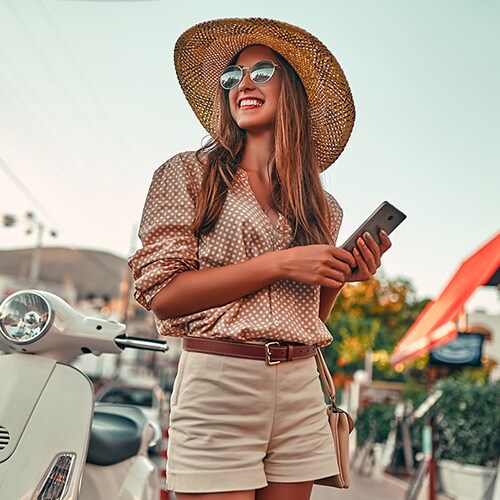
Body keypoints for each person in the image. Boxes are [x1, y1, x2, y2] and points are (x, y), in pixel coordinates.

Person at [129, 17, 391, 500]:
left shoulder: (322, 206)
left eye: (262, 72)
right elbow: (164, 297)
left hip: (299, 386)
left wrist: (338, 277)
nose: (242, 84)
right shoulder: (189, 173)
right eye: (232, 77)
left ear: (292, 90)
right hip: (219, 383)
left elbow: (305, 318)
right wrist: (281, 263)